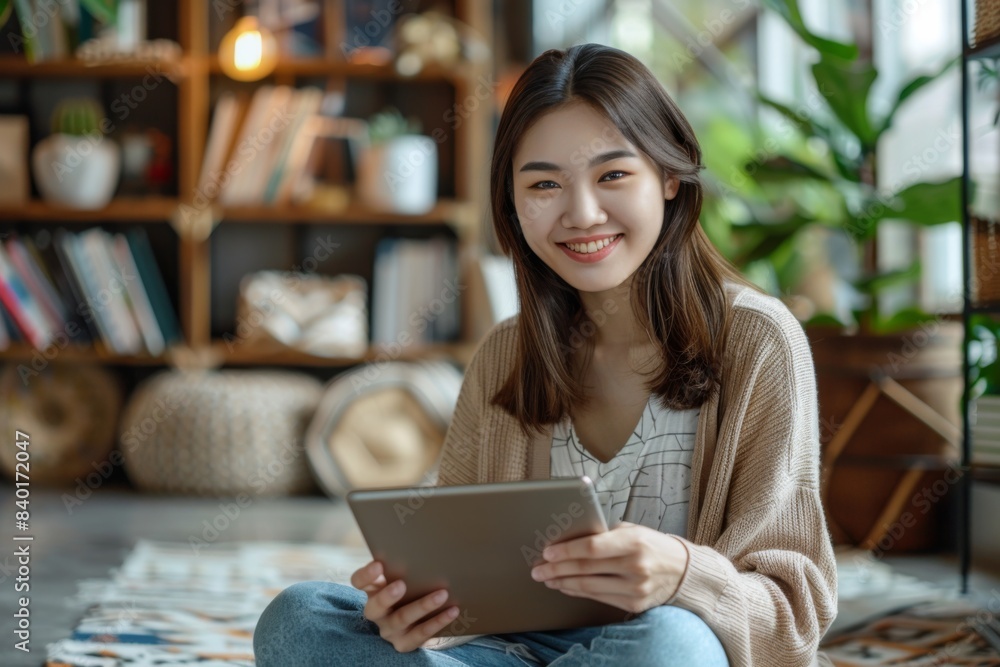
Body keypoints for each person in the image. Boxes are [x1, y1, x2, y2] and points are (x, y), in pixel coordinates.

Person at [253, 43, 838, 667]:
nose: (581, 214)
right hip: (508, 651)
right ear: (512, 200)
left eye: (613, 175)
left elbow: (792, 608)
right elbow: (456, 569)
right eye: (544, 184)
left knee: (671, 642)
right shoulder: (506, 353)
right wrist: (416, 608)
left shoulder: (758, 341)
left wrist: (684, 575)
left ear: (670, 176)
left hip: (658, 648)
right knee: (300, 620)